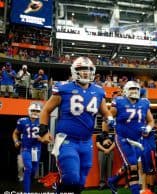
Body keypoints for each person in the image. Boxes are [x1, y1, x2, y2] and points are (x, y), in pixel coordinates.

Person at [38, 57, 114, 193]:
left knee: (80, 182)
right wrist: (43, 130)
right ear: (74, 71)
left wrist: (109, 118)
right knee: (71, 178)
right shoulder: (64, 88)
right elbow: (46, 110)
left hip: (86, 142)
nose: (85, 73)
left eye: (88, 70)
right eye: (81, 70)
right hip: (67, 140)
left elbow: (105, 112)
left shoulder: (98, 91)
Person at [107, 80, 155, 194]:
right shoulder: (119, 101)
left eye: (136, 89)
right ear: (125, 91)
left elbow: (151, 121)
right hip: (123, 137)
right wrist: (110, 121)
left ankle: (113, 181)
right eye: (132, 89)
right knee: (133, 165)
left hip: (138, 139)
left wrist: (148, 129)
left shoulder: (144, 102)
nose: (134, 91)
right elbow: (109, 114)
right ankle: (135, 191)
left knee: (128, 164)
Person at [12, 103, 42, 193]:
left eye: (37, 111)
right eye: (33, 110)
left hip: (37, 148)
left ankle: (28, 182)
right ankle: (26, 192)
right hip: (26, 148)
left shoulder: (42, 121)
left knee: (33, 170)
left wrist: (44, 139)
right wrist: (16, 141)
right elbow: (15, 133)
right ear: (29, 110)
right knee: (28, 168)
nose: (35, 112)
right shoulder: (22, 121)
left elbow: (46, 137)